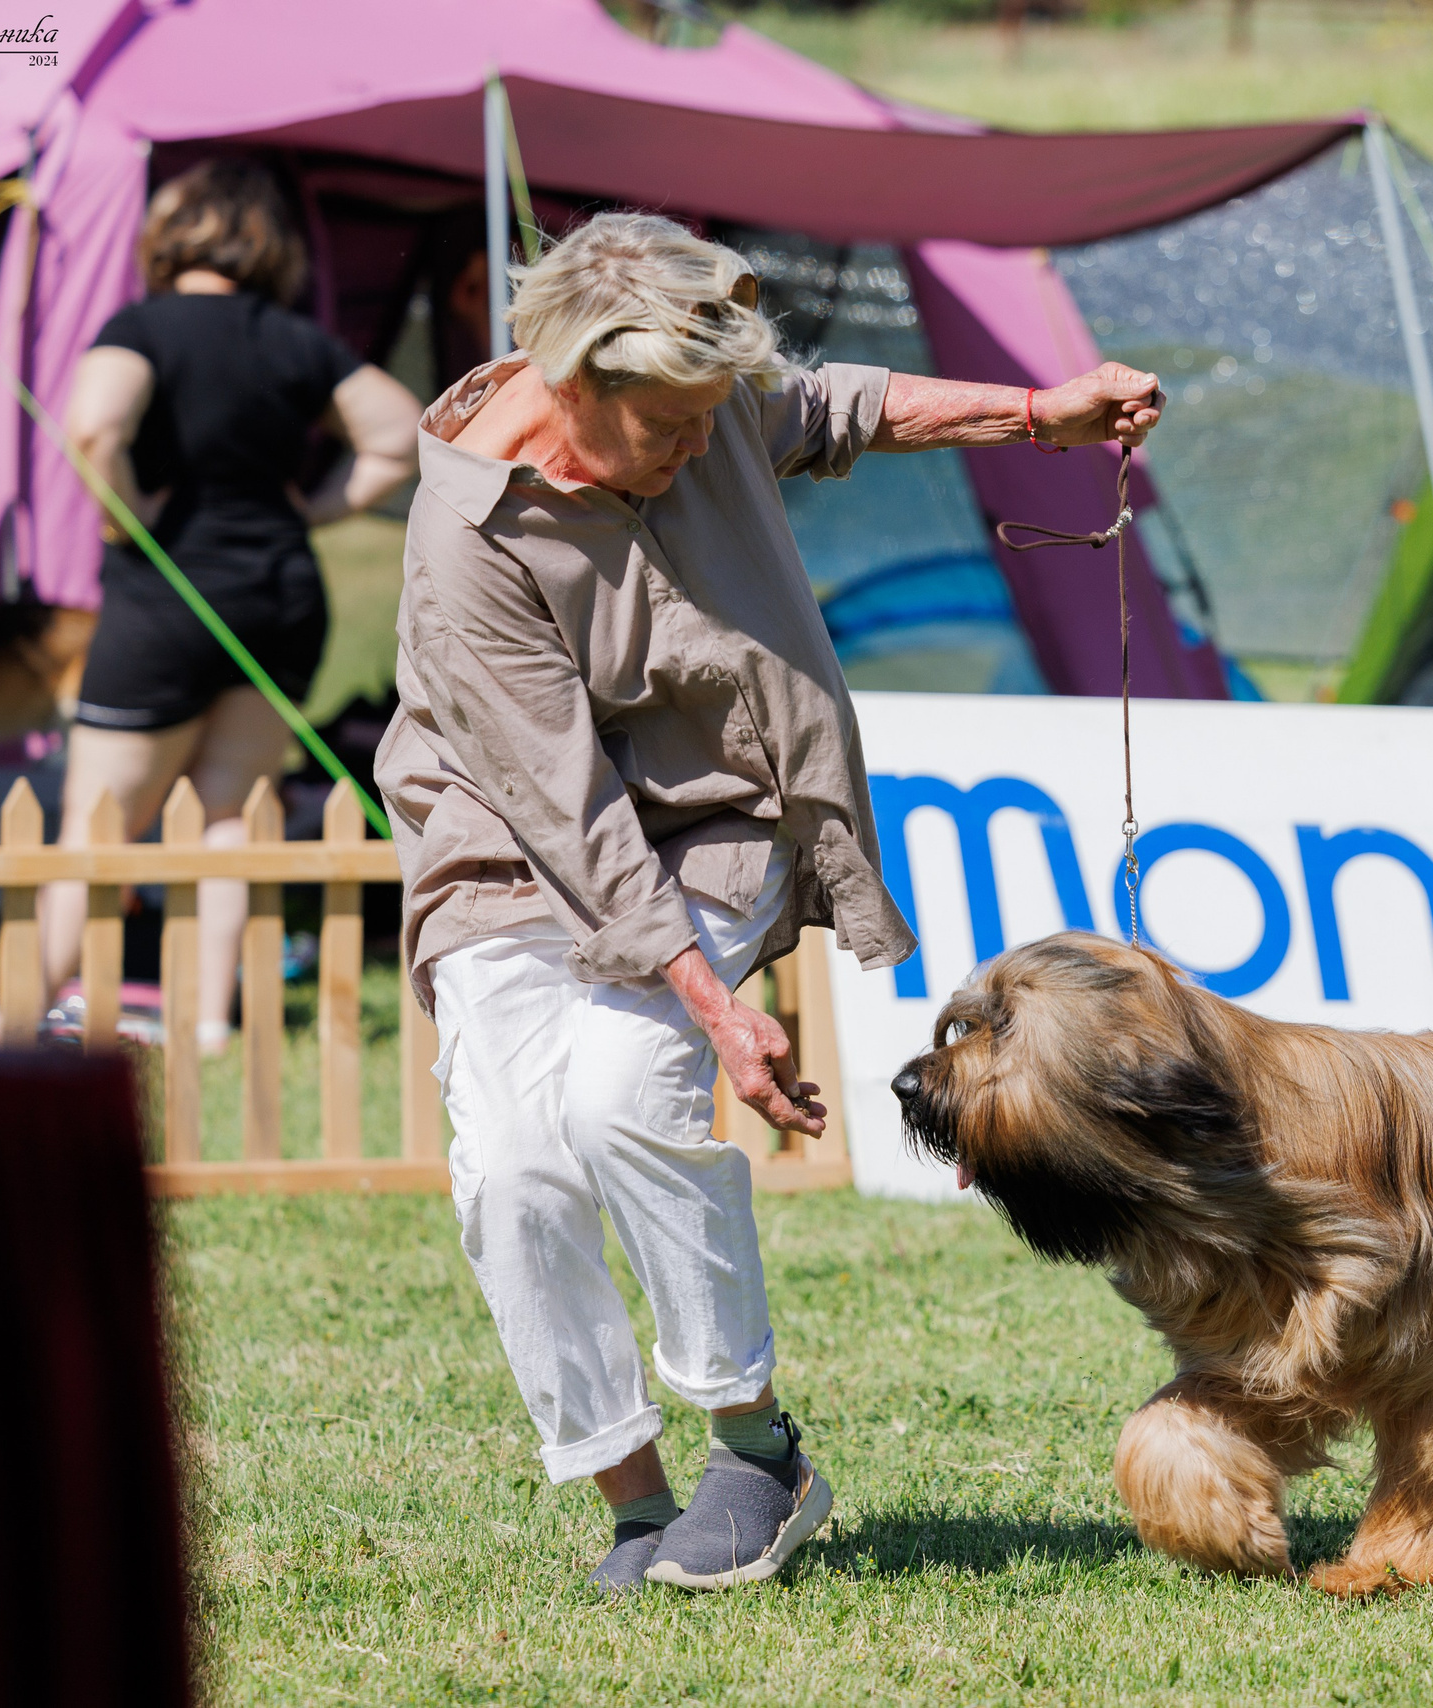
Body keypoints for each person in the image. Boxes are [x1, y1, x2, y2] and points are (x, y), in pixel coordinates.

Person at [378, 212, 1161, 1592]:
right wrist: (719, 1010)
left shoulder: (704, 402)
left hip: (719, 811)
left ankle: (756, 1452)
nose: (702, 447)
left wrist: (1044, 413)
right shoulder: (469, 541)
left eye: (709, 415)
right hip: (509, 831)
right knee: (511, 1166)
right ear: (572, 385)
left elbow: (836, 405)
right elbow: (566, 808)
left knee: (624, 1093)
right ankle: (631, 1497)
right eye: (671, 424)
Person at [37, 160, 421, 1050]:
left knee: (93, 828)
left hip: (167, 600)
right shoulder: (295, 339)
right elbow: (400, 434)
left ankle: (23, 1020)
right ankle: (207, 1023)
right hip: (280, 599)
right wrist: (315, 509)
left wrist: (126, 519)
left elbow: (95, 425)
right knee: (227, 817)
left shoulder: (140, 326)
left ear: (170, 236)